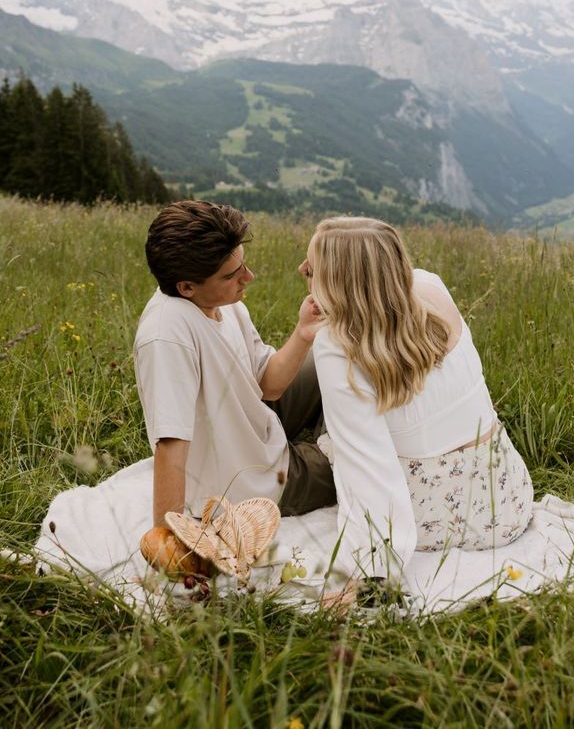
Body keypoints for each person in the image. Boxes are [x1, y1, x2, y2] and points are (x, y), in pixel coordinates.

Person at [303, 216, 533, 602]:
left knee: (334, 444)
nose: (301, 272)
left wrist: (372, 576)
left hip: (438, 518)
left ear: (340, 280)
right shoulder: (431, 286)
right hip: (507, 498)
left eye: (311, 269)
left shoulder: (336, 345)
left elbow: (367, 466)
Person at [134, 200, 336, 540]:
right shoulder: (166, 337)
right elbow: (170, 445)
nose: (249, 277)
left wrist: (303, 333)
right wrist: (169, 541)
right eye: (232, 275)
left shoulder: (218, 301)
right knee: (361, 462)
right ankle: (331, 443)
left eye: (242, 264)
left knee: (339, 352)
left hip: (253, 419)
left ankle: (330, 432)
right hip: (245, 484)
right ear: (186, 287)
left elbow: (268, 385)